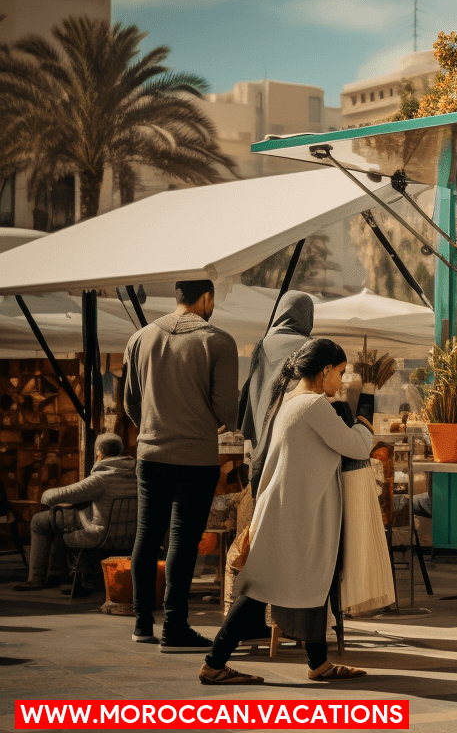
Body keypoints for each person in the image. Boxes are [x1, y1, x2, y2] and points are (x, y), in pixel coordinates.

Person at [200, 338, 372, 686]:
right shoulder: (313, 406)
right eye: (340, 372)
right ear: (325, 371)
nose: (341, 380)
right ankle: (214, 663)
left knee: (312, 582)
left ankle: (318, 662)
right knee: (262, 586)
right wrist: (365, 424)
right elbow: (355, 445)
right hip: (291, 515)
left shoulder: (294, 402)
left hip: (291, 512)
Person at [124, 279, 238, 652]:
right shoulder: (218, 341)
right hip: (195, 457)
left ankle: (142, 623)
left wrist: (155, 429)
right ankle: (174, 627)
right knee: (182, 541)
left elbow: (130, 403)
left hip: (150, 454)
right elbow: (227, 410)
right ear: (206, 298)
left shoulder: (139, 338)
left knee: (146, 535)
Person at [13, 434, 136, 591]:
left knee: (39, 520)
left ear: (99, 453)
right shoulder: (137, 475)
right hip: (129, 534)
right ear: (121, 451)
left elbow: (58, 495)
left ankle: (36, 579)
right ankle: (55, 574)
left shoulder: (100, 479)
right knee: (62, 519)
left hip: (99, 534)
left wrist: (45, 495)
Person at [237, 291, 314, 496]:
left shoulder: (262, 345)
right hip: (293, 425)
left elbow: (254, 384)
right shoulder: (309, 347)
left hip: (259, 416)